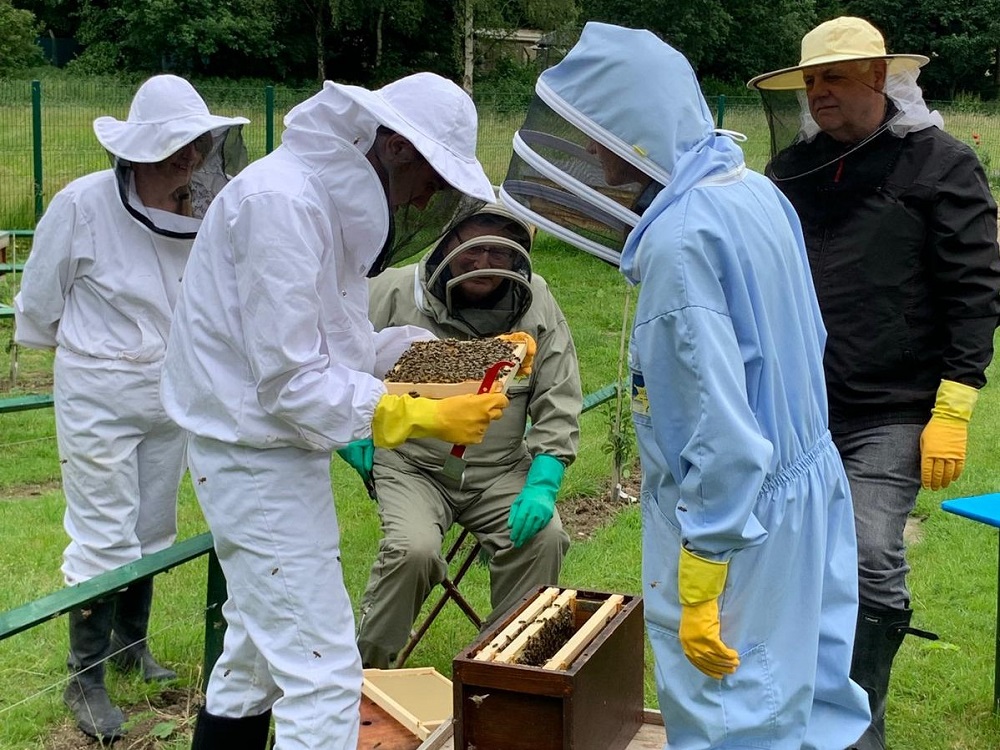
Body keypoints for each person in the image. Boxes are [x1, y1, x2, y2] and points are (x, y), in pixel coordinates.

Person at [500, 21, 872, 749]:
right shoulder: (753, 192)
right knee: (809, 700)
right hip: (805, 491)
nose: (594, 159)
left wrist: (705, 559)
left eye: (603, 138)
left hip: (738, 525)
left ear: (639, 127)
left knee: (735, 716)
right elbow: (805, 343)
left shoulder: (680, 244)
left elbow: (714, 423)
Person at [160, 72, 514, 750]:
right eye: (433, 178)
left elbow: (346, 346)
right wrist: (416, 416)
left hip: (270, 453)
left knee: (255, 658)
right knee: (322, 676)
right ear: (397, 147)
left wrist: (440, 364)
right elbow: (292, 382)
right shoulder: (281, 205)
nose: (429, 197)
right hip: (252, 457)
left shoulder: (318, 203)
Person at [748, 16, 1000, 750]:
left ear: (883, 77)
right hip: (792, 409)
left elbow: (975, 286)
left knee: (866, 557)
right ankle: (789, 718)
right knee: (779, 562)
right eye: (812, 80)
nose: (820, 92)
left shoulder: (942, 163)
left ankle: (859, 735)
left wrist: (955, 402)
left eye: (835, 77)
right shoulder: (790, 168)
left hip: (890, 410)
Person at [12, 75, 248, 741]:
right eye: (177, 153)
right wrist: (90, 357)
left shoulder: (202, 204)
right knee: (103, 532)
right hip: (97, 394)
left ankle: (129, 648)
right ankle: (83, 678)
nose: (190, 165)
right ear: (141, 152)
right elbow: (39, 304)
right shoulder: (81, 204)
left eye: (196, 151)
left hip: (171, 391)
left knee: (152, 523)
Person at [351, 202, 580, 669]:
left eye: (500, 251)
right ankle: (365, 680)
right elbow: (333, 362)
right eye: (473, 248)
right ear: (446, 241)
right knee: (412, 551)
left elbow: (559, 395)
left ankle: (507, 672)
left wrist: (544, 479)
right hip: (411, 465)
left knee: (546, 537)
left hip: (499, 470)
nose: (484, 263)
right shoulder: (393, 290)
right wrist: (352, 439)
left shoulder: (537, 301)